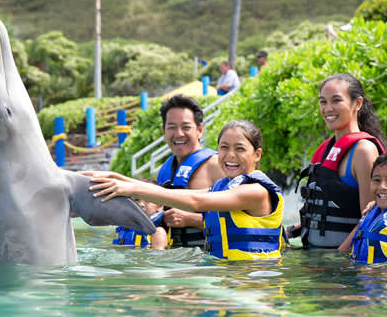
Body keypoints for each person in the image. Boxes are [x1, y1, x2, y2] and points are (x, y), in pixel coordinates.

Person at [87, 120, 286, 261]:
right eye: (224, 147)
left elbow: (195, 202)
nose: (230, 155)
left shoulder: (256, 192)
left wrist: (133, 188)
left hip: (256, 281)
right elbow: (188, 196)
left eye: (240, 149)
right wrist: (121, 179)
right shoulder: (222, 187)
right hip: (228, 276)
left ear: (257, 154)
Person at [290, 73, 387, 249]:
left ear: (357, 103)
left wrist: (339, 257)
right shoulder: (326, 149)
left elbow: (370, 216)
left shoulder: (363, 150)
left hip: (344, 266)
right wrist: (293, 230)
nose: (328, 108)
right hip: (316, 258)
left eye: (336, 100)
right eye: (323, 102)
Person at [156, 95, 224, 248]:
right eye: (172, 127)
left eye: (186, 127)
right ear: (164, 132)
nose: (179, 133)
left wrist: (190, 219)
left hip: (211, 263)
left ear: (200, 130)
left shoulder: (216, 166)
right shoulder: (163, 171)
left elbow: (242, 218)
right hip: (175, 261)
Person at [112, 185, 168, 250]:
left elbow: (159, 256)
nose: (141, 204)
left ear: (160, 206)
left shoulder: (157, 232)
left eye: (147, 200)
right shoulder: (125, 227)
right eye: (136, 200)